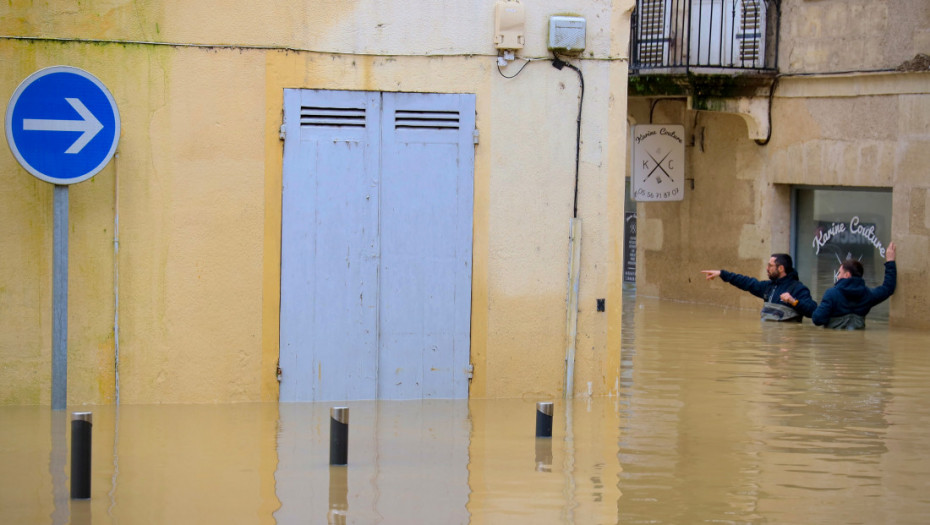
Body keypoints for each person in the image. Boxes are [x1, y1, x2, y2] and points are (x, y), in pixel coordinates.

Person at [804, 242, 896, 330]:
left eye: (839, 273)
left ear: (847, 275)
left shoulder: (831, 294)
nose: (837, 276)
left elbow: (817, 319)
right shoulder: (867, 295)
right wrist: (890, 261)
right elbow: (888, 288)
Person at [702, 253, 817, 322]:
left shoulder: (798, 289)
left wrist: (794, 301)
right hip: (768, 341)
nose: (767, 268)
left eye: (770, 266)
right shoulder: (768, 287)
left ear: (781, 268)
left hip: (786, 345)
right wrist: (722, 274)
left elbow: (813, 311)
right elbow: (746, 282)